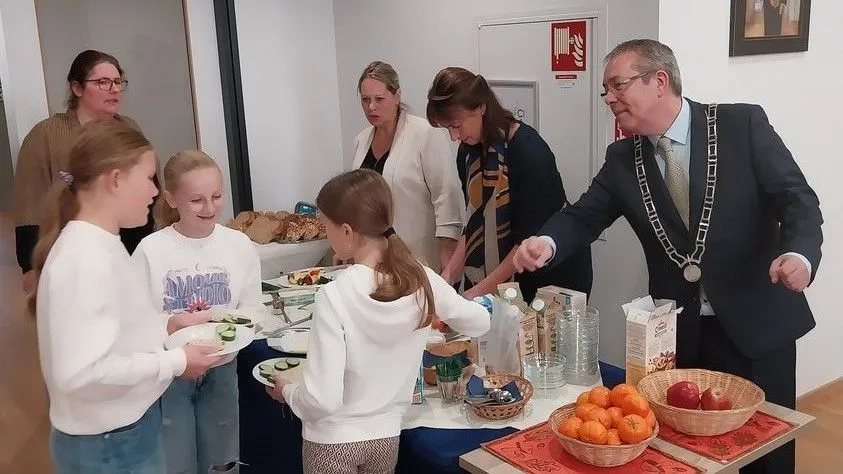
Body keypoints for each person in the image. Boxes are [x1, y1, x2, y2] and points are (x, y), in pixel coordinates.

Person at [513, 39, 822, 474]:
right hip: (683, 334)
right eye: (605, 90)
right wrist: (547, 243)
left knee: (764, 454)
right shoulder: (623, 158)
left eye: (617, 86)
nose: (609, 99)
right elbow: (583, 216)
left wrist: (799, 254)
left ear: (659, 81)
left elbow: (797, 200)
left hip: (756, 322)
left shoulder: (740, 124)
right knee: (690, 456)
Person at [266, 169, 490, 474]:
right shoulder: (420, 278)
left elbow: (322, 400)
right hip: (385, 440)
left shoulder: (334, 295)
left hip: (332, 441)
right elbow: (479, 322)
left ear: (346, 232)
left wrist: (288, 392)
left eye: (326, 226)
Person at [30, 119, 220, 474]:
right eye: (149, 178)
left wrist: (169, 325)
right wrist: (176, 362)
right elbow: (81, 373)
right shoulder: (84, 258)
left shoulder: (103, 244)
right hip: (109, 445)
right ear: (115, 179)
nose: (153, 192)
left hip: (124, 432)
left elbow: (114, 329)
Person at [132, 150, 264, 473]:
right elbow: (137, 321)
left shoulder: (239, 245)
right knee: (177, 460)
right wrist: (174, 327)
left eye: (217, 196)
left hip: (222, 368)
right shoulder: (151, 250)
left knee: (223, 458)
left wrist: (228, 323)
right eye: (196, 200)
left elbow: (252, 310)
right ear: (171, 199)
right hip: (170, 375)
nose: (210, 208)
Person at [425, 66, 593, 302]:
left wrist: (475, 294)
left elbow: (525, 241)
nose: (454, 137)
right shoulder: (468, 152)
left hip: (549, 277)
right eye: (447, 129)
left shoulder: (528, 150)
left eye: (456, 125)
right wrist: (447, 277)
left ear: (481, 107)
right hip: (507, 275)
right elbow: (474, 223)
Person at [12, 49, 156, 294]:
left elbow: (147, 189)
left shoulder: (129, 128)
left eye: (118, 81)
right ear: (77, 88)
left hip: (128, 244)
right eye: (103, 82)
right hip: (72, 251)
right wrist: (30, 267)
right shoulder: (45, 136)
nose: (114, 89)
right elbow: (29, 203)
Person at [350, 61, 464, 272]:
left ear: (397, 96)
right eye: (365, 100)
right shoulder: (361, 141)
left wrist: (448, 258)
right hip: (374, 259)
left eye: (379, 99)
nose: (371, 107)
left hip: (420, 257)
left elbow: (447, 198)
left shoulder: (425, 134)